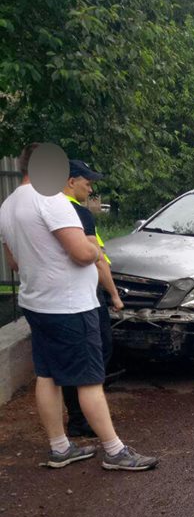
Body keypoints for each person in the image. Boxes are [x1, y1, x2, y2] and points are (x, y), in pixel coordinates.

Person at [0, 143, 157, 470]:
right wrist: (95, 250)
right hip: (70, 306)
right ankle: (115, 451)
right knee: (89, 380)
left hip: (35, 302)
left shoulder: (8, 205)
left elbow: (13, 262)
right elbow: (83, 254)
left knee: (48, 375)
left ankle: (60, 447)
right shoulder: (52, 200)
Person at [61, 159, 124, 437]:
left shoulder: (47, 209)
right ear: (71, 180)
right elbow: (96, 260)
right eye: (87, 182)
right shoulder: (78, 214)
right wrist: (113, 294)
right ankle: (84, 419)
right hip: (86, 295)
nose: (91, 188)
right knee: (97, 353)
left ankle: (76, 417)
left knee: (66, 360)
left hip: (56, 297)